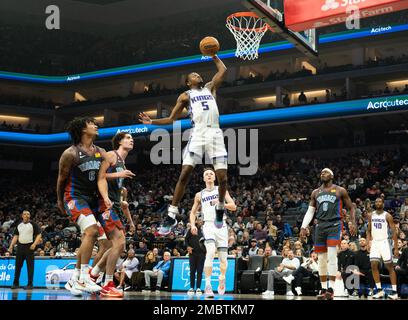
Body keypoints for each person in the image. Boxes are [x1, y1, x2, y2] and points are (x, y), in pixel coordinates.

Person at [139, 55, 228, 236]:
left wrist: (213, 55)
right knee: (185, 172)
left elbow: (223, 70)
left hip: (216, 133)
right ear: (188, 82)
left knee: (223, 179)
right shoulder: (186, 96)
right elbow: (172, 119)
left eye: (198, 73)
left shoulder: (210, 87)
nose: (197, 75)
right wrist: (152, 122)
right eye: (193, 75)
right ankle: (172, 214)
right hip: (198, 133)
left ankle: (220, 208)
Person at [57, 117, 108, 295]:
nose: (96, 125)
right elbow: (61, 179)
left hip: (92, 199)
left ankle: (74, 279)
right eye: (91, 124)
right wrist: (59, 200)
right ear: (82, 130)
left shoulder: (100, 151)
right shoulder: (70, 153)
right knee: (92, 232)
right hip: (74, 197)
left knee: (104, 242)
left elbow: (104, 176)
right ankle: (84, 278)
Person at [89, 132, 136, 297]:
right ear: (119, 141)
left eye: (132, 138)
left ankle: (93, 274)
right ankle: (107, 283)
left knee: (116, 245)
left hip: (115, 204)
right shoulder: (111, 155)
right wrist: (118, 175)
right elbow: (99, 177)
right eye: (128, 138)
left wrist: (122, 200)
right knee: (119, 242)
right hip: (105, 203)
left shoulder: (122, 162)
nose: (131, 140)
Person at [300, 168, 357, 300]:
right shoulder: (315, 192)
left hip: (334, 224)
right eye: (321, 173)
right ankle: (323, 288)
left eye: (325, 172)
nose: (322, 174)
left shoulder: (340, 190)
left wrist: (353, 222)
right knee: (321, 259)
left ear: (332, 175)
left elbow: (351, 207)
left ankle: (331, 288)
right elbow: (310, 211)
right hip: (320, 225)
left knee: (332, 256)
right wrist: (304, 226)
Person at [189, 167, 236, 298]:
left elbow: (233, 206)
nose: (209, 175)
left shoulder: (221, 190)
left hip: (221, 225)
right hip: (208, 224)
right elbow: (192, 212)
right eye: (206, 174)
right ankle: (208, 285)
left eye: (211, 174)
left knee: (223, 259)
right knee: (210, 252)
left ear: (215, 177)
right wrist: (193, 225)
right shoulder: (199, 194)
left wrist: (222, 203)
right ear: (204, 178)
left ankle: (222, 277)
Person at [367, 197, 399, 300]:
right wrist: (368, 242)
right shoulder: (371, 215)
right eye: (376, 201)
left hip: (385, 242)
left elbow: (394, 231)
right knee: (373, 265)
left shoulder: (387, 215)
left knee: (389, 266)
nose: (378, 203)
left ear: (383, 204)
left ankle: (394, 292)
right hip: (375, 242)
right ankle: (379, 290)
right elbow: (368, 230)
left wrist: (396, 248)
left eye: (380, 201)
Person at [8, 211, 42, 289]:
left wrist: (34, 244)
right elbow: (16, 236)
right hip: (20, 247)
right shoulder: (19, 225)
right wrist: (11, 246)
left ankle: (30, 284)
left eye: (28, 214)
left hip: (29, 247)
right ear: (22, 216)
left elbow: (39, 234)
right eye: (25, 214)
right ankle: (15, 283)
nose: (26, 215)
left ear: (30, 216)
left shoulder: (33, 224)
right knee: (17, 266)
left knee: (30, 266)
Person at [185, 219, 206, 296]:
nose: (200, 222)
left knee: (200, 271)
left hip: (202, 254)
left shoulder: (205, 230)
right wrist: (188, 247)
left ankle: (198, 288)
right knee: (192, 271)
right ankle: (191, 288)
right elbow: (186, 239)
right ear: (196, 221)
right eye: (199, 220)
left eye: (201, 221)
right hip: (192, 253)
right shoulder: (192, 229)